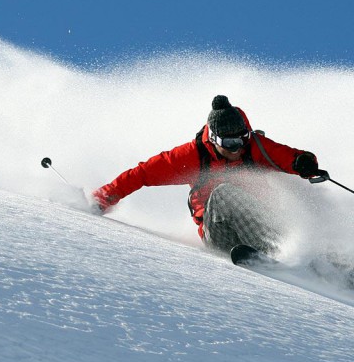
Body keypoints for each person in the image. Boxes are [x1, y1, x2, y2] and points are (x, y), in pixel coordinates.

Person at [92, 95, 328, 257]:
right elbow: (142, 174)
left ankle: (341, 270)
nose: (237, 148)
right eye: (229, 143)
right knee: (223, 193)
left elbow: (289, 157)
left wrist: (303, 163)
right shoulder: (191, 157)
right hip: (220, 233)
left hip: (263, 226)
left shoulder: (255, 146)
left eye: (241, 139)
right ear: (214, 139)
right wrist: (104, 197)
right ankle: (278, 252)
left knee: (298, 215)